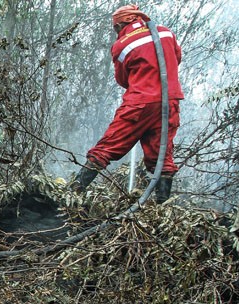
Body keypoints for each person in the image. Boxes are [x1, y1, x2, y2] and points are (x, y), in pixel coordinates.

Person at [72, 4, 183, 203]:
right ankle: (162, 210)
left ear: (123, 23)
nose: (116, 31)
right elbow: (176, 59)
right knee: (162, 156)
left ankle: (71, 195)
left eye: (116, 28)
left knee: (107, 147)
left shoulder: (122, 44)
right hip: (169, 102)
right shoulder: (166, 33)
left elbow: (123, 79)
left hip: (139, 103)